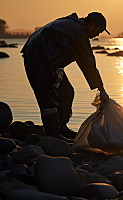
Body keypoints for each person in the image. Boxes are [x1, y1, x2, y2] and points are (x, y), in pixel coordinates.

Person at [21, 12, 110, 143]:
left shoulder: (74, 24)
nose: (98, 35)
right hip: (38, 60)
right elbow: (88, 64)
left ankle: (62, 127)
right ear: (91, 25)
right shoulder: (78, 33)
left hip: (51, 61)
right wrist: (102, 90)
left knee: (66, 91)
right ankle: (53, 137)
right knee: (48, 100)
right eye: (99, 30)